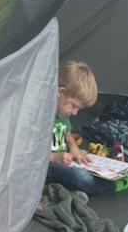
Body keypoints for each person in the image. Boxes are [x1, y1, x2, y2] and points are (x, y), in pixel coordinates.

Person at [47, 59, 116, 197]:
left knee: (87, 160)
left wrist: (74, 148)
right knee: (78, 176)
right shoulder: (42, 117)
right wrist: (55, 157)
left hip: (64, 158)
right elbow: (29, 155)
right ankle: (113, 186)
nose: (74, 113)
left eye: (79, 109)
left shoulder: (62, 114)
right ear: (60, 92)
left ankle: (114, 176)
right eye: (74, 106)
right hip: (47, 165)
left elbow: (67, 134)